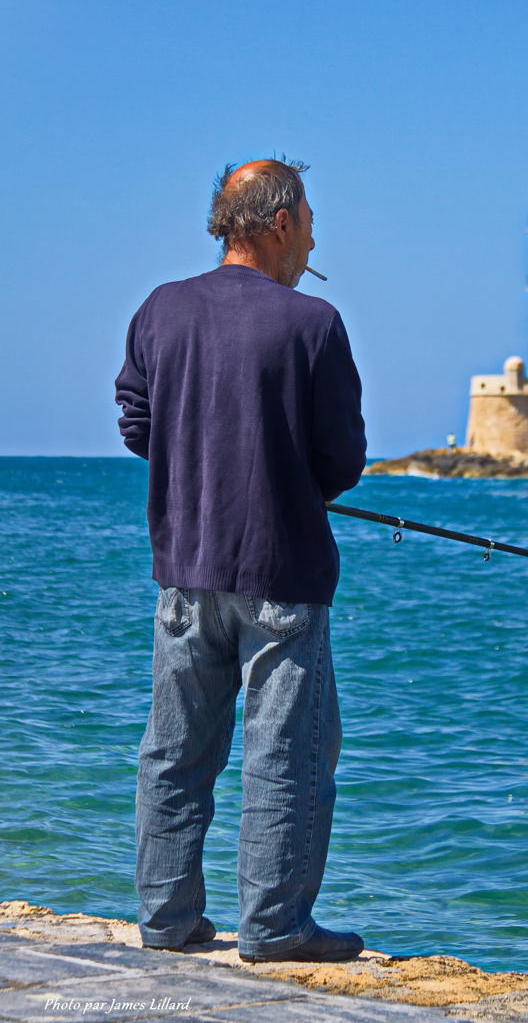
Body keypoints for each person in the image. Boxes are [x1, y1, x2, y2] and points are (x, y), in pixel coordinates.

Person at [115, 159, 367, 963]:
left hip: (183, 571)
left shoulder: (160, 309)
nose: (315, 239)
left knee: (174, 750)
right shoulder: (314, 321)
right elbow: (344, 459)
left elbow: (135, 419)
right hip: (280, 575)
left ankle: (166, 919)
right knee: (287, 754)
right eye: (311, 221)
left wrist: (197, 465)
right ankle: (276, 927)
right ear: (281, 222)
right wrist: (283, 480)